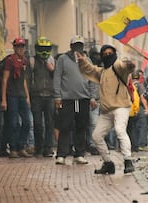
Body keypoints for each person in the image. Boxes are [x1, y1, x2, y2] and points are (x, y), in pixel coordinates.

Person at [76, 44, 135, 174]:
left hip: (121, 107)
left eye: (110, 53)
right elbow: (90, 69)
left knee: (120, 130)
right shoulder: (102, 72)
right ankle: (108, 163)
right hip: (106, 110)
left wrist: (129, 65)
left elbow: (124, 66)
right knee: (96, 136)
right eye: (105, 54)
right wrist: (82, 61)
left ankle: (128, 160)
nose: (108, 56)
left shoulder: (118, 66)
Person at [53, 35, 96, 165]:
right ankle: (61, 154)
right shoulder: (63, 59)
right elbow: (57, 77)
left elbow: (92, 79)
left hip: (83, 99)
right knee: (65, 126)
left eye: (80, 46)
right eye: (76, 45)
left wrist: (93, 97)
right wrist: (57, 96)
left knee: (81, 126)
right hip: (67, 99)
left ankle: (79, 154)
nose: (78, 48)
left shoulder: (87, 60)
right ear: (71, 46)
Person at [1, 38, 32, 158]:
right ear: (14, 48)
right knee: (13, 123)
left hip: (22, 95)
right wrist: (4, 99)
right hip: (11, 95)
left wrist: (27, 96)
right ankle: (13, 148)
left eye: (22, 47)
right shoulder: (10, 61)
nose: (21, 49)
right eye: (18, 47)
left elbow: (23, 80)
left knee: (27, 122)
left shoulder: (25, 61)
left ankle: (21, 146)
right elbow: (4, 79)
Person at [29, 37, 55, 157]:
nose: (44, 51)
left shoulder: (52, 61)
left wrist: (52, 69)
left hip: (50, 96)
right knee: (38, 123)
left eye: (46, 49)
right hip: (36, 96)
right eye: (41, 49)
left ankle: (48, 148)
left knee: (50, 123)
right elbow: (27, 79)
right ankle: (38, 147)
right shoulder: (32, 61)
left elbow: (58, 77)